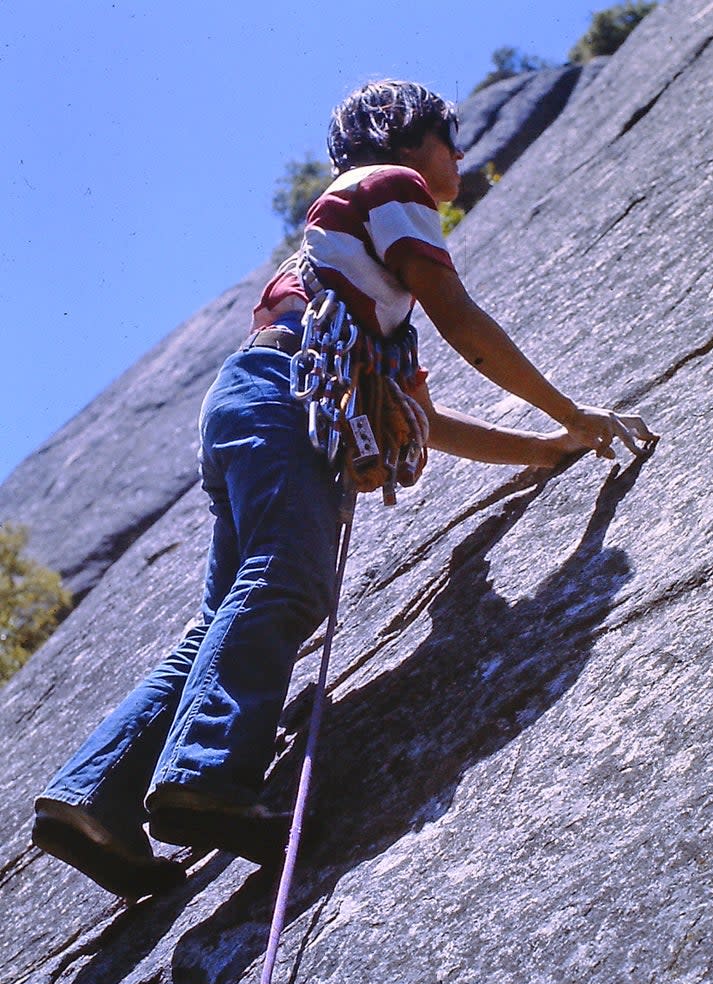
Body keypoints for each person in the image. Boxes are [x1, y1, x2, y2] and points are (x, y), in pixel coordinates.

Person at [32, 80, 656, 900]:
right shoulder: (390, 188)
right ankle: (206, 778)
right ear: (403, 136)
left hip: (253, 403)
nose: (459, 155)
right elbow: (462, 321)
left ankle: (95, 800)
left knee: (221, 620)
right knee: (287, 582)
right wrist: (572, 410)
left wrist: (546, 447)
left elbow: (424, 417)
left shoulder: (342, 260)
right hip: (287, 401)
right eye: (449, 136)